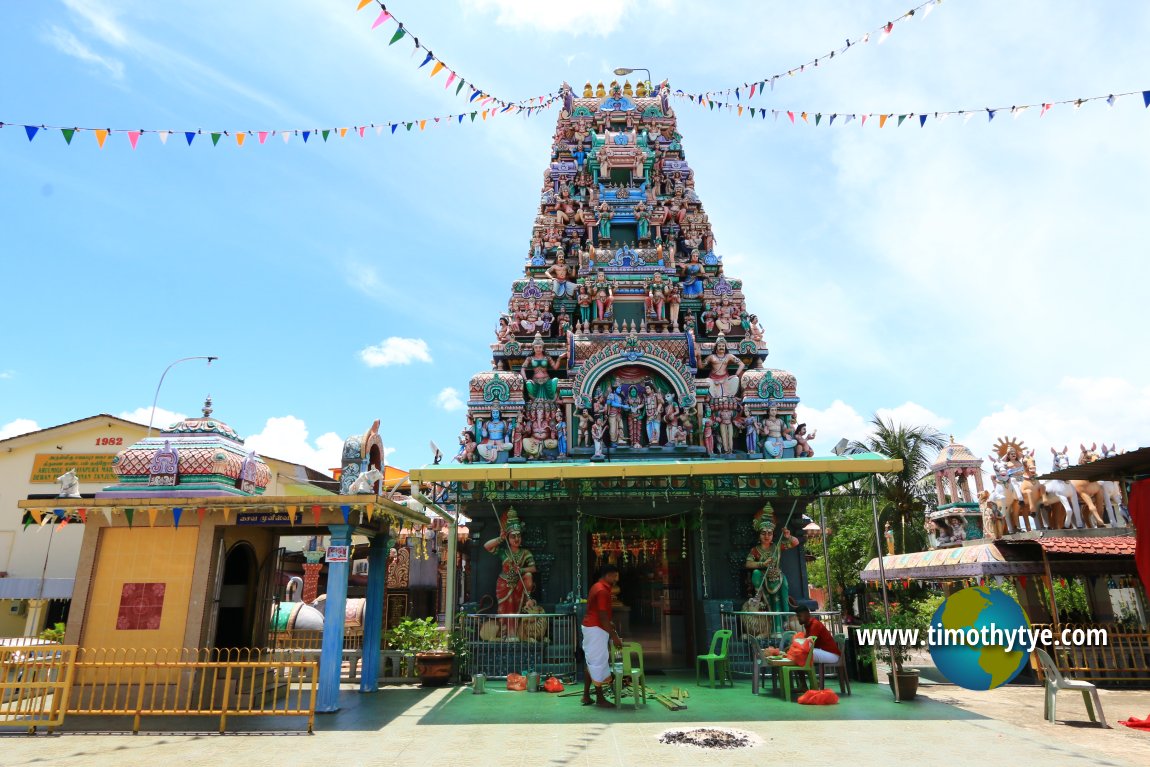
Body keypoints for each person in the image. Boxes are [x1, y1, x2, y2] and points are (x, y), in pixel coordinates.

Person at [484, 508, 537, 638]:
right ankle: (505, 634)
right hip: (504, 585)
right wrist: (500, 539)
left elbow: (533, 569)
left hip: (518, 585)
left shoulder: (525, 553)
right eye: (513, 536)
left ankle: (515, 634)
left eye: (519, 535)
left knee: (527, 579)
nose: (517, 538)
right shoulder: (504, 552)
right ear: (508, 537)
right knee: (507, 609)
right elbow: (487, 546)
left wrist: (522, 570)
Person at [581, 564, 623, 707]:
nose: (616, 579)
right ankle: (600, 698)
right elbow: (603, 615)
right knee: (598, 663)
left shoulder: (596, 586)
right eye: (614, 576)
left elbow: (603, 615)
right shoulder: (602, 590)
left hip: (591, 626)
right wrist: (615, 636)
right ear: (608, 575)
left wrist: (609, 626)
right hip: (596, 628)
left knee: (591, 662)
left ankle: (586, 695)